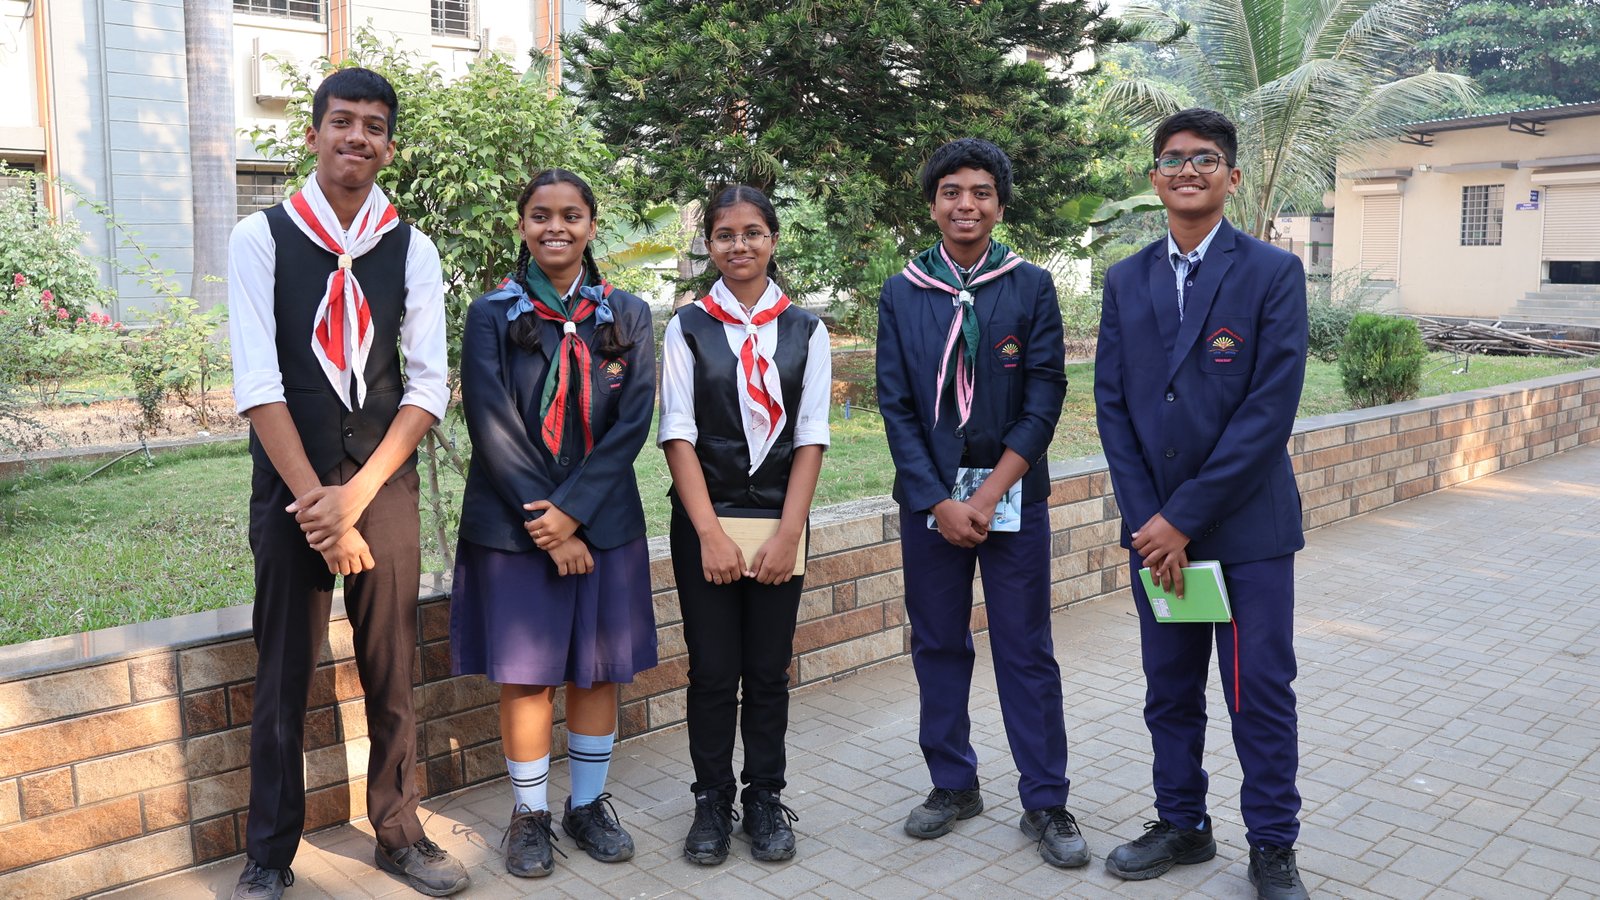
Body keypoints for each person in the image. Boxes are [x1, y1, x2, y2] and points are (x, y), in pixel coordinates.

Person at [226, 67, 467, 899]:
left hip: (381, 483)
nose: (357, 136)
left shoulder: (412, 248)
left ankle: (399, 831)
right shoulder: (260, 237)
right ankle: (268, 852)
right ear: (313, 134)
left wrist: (354, 499)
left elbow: (428, 386)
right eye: (342, 120)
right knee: (283, 670)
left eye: (374, 125)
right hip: (289, 484)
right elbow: (258, 382)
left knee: (392, 665)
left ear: (388, 147)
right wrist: (314, 505)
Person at [1094, 107, 1310, 900]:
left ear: (1232, 176)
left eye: (1206, 158)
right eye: (1174, 158)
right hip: (1158, 538)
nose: (1188, 170)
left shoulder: (1272, 272)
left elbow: (1268, 412)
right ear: (1154, 178)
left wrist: (1182, 518)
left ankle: (1273, 845)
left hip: (1247, 533)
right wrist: (1150, 523)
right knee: (1170, 689)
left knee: (1258, 694)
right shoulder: (1126, 278)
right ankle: (1182, 822)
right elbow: (1113, 407)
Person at [875, 138, 1086, 869]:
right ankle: (952, 784)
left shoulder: (1029, 286)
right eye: (952, 192)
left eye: (981, 192)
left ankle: (1046, 798)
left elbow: (1046, 393)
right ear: (933, 203)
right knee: (938, 642)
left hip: (1012, 495)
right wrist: (939, 500)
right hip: (932, 503)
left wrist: (992, 490)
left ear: (999, 205)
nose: (966, 204)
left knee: (1025, 647)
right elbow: (896, 404)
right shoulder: (903, 291)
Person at [450, 169, 658, 878]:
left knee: (597, 674)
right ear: (522, 226)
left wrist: (575, 514)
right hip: (515, 529)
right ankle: (531, 813)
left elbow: (633, 421)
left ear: (592, 226)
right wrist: (549, 520)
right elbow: (491, 422)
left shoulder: (628, 314)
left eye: (572, 215)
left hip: (603, 524)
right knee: (528, 678)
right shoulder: (491, 314)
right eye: (541, 215)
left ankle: (588, 805)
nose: (556, 227)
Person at [659, 185, 830, 866]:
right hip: (706, 521)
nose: (740, 245)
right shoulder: (687, 327)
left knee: (766, 670)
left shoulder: (807, 330)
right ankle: (711, 800)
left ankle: (764, 796)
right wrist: (708, 534)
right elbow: (678, 434)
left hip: (779, 521)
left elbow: (811, 436)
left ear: (773, 240)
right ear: (708, 243)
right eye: (725, 234)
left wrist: (790, 533)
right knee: (711, 670)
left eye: (753, 232)